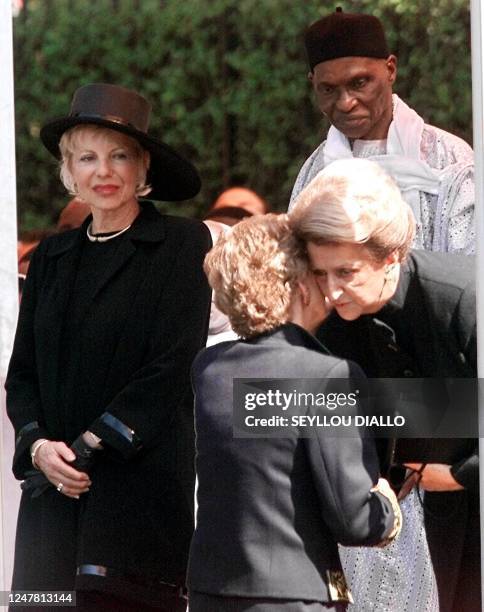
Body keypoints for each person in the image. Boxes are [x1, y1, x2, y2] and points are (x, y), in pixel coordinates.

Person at [5, 83, 212, 611]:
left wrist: (86, 449)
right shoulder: (51, 257)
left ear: (143, 171)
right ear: (69, 171)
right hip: (51, 503)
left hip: (133, 505)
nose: (104, 171)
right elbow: (22, 373)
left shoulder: (182, 245)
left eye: (119, 156)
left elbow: (171, 367)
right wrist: (38, 449)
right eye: (88, 158)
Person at [290, 158, 479, 612]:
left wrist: (455, 475)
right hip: (440, 525)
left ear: (390, 254)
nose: (331, 292)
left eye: (346, 273)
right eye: (321, 273)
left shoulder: (464, 298)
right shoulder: (335, 321)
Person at [188, 214, 401, 612]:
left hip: (213, 591)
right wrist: (388, 510)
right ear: (299, 285)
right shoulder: (326, 375)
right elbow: (353, 519)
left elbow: (267, 439)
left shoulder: (210, 368)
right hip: (294, 596)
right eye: (318, 272)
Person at [289, 8, 475, 255]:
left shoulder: (449, 160)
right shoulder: (315, 172)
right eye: (328, 89)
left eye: (359, 83)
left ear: (390, 70)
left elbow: (468, 271)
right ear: (313, 82)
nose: (346, 102)